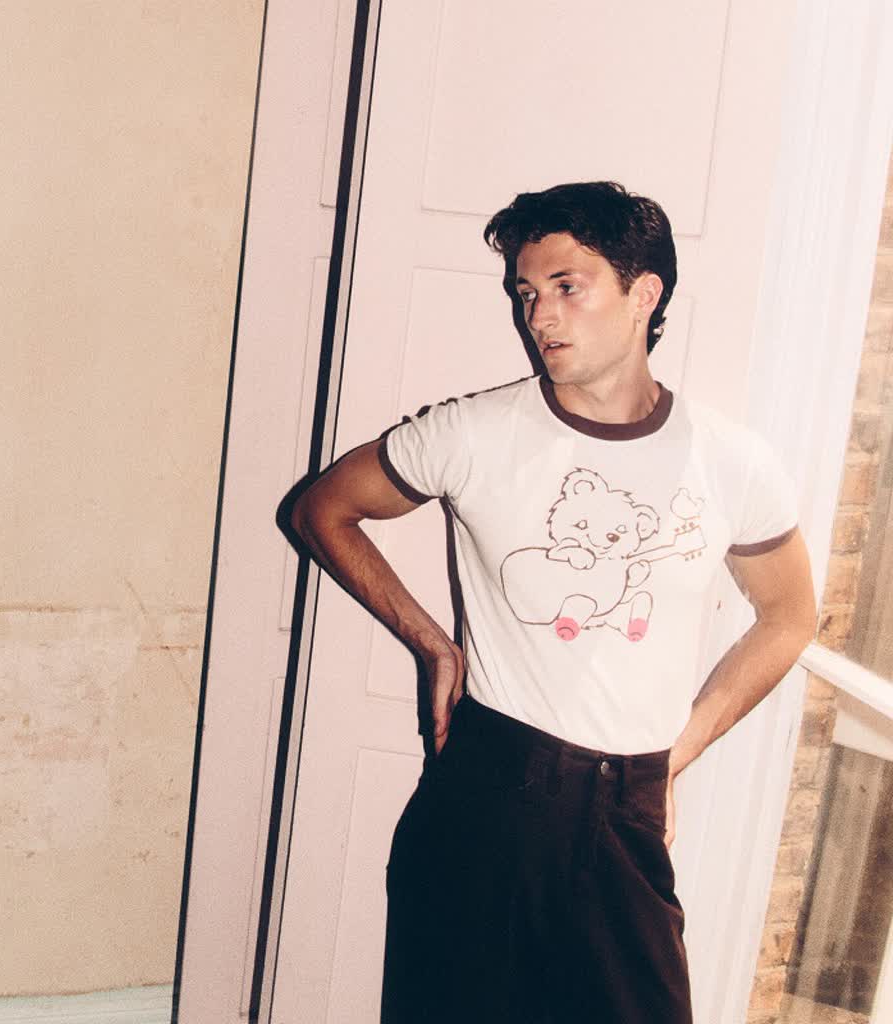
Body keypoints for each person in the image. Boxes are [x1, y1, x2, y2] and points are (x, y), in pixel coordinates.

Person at [290, 181, 817, 1023]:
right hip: (487, 798)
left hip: (627, 813)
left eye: (567, 287)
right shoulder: (471, 433)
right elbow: (323, 510)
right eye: (527, 292)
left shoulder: (731, 462)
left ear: (644, 294)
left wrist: (678, 752)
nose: (539, 315)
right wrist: (432, 643)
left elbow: (789, 617)